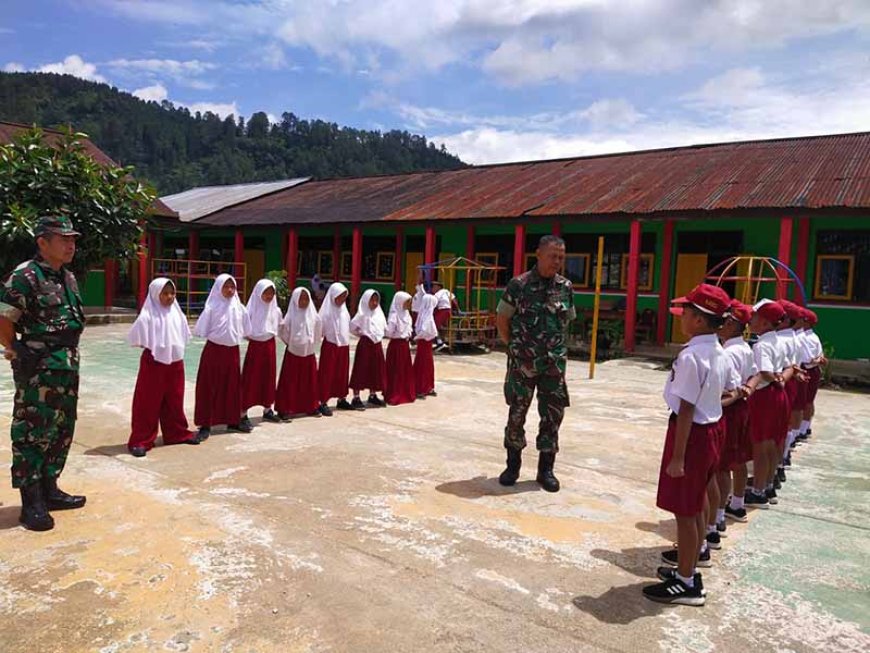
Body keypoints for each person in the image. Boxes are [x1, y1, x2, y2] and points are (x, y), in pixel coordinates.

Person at [643, 283, 730, 606]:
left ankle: (686, 582)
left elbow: (687, 408)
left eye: (688, 311)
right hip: (711, 430)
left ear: (698, 319)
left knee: (685, 511)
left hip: (692, 435)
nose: (682, 316)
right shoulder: (717, 349)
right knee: (697, 503)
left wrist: (677, 457)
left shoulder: (692, 355)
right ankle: (690, 565)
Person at [0, 216, 88, 531]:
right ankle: (31, 502)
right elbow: (3, 316)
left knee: (61, 429)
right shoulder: (25, 276)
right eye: (63, 239)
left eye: (72, 239)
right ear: (42, 242)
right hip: (37, 368)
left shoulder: (69, 278)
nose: (70, 245)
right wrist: (14, 348)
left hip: (66, 365)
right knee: (32, 432)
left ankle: (51, 490)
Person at [495, 234, 574, 493]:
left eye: (561, 257)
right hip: (523, 364)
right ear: (538, 254)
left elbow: (566, 322)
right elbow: (502, 320)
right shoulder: (519, 285)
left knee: (552, 417)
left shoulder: (565, 286)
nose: (557, 262)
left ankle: (545, 470)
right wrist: (516, 349)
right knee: (517, 414)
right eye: (553, 256)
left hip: (553, 366)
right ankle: (513, 466)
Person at [126, 278, 202, 457]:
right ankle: (141, 439)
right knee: (147, 402)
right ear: (155, 294)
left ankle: (176, 433)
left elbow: (183, 336)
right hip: (154, 364)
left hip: (176, 363)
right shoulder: (147, 316)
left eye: (172, 293)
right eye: (165, 293)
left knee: (174, 401)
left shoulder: (178, 314)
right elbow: (137, 339)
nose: (169, 297)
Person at [742, 300, 790, 508]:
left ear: (763, 322)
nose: (750, 321)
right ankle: (768, 485)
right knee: (772, 443)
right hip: (778, 395)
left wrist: (774, 378)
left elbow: (764, 372)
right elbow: (790, 367)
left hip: (764, 397)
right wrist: (782, 379)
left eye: (753, 318)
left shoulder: (761, 345)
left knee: (761, 446)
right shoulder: (779, 340)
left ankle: (758, 491)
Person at [193, 274, 252, 439]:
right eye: (226, 286)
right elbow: (201, 331)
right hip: (214, 351)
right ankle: (205, 424)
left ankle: (233, 420)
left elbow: (247, 331)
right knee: (209, 387)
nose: (230, 290)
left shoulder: (240, 308)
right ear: (218, 288)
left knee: (232, 387)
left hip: (232, 351)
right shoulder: (211, 308)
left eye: (232, 286)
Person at [720, 302, 757, 524]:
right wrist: (747, 390)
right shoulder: (745, 347)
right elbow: (754, 375)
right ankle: (738, 504)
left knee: (722, 466)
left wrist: (737, 394)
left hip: (729, 409)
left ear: (731, 323)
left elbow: (728, 388)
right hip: (741, 407)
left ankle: (716, 518)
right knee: (738, 459)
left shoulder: (729, 352)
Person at [240, 279, 283, 428]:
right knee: (251, 378)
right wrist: (256, 337)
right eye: (266, 292)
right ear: (258, 293)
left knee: (269, 377)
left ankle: (268, 409)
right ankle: (243, 413)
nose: (269, 296)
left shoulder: (276, 310)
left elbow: (278, 326)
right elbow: (244, 330)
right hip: (255, 346)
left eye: (272, 293)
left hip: (270, 346)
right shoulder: (250, 309)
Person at [275, 287, 322, 419]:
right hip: (293, 352)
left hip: (309, 352)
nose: (304, 301)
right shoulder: (290, 315)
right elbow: (283, 331)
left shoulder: (313, 315)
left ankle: (311, 406)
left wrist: (312, 343)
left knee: (309, 382)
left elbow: (318, 330)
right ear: (295, 300)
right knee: (290, 382)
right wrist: (292, 343)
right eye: (301, 298)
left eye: (307, 298)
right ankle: (285, 408)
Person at [318, 282, 356, 415]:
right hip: (330, 345)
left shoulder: (344, 311)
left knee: (342, 373)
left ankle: (341, 398)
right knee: (327, 374)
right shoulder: (326, 313)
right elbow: (319, 331)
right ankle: (323, 401)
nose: (342, 300)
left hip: (343, 346)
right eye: (339, 297)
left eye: (344, 297)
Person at [349, 289, 388, 408]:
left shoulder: (379, 314)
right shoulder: (361, 314)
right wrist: (362, 334)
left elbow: (384, 328)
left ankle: (372, 394)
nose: (375, 303)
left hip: (377, 344)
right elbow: (352, 327)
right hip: (365, 344)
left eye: (377, 300)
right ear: (366, 300)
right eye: (372, 300)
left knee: (376, 369)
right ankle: (356, 397)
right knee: (361, 369)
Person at [797, 308, 825, 441]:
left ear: (806, 322)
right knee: (809, 400)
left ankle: (801, 430)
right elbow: (820, 355)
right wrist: (818, 360)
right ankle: (806, 427)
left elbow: (807, 360)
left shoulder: (802, 338)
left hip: (805, 370)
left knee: (802, 402)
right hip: (814, 370)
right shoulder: (815, 337)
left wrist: (814, 360)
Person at [384, 291, 416, 406]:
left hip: (404, 346)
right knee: (396, 370)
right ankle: (394, 394)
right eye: (407, 302)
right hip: (396, 346)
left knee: (404, 370)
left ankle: (405, 393)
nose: (408, 304)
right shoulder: (394, 316)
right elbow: (389, 332)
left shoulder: (407, 314)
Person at [413, 293, 439, 399]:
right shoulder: (427, 316)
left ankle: (428, 387)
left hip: (426, 344)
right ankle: (420, 388)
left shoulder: (426, 314)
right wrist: (418, 337)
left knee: (427, 366)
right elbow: (424, 330)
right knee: (423, 365)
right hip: (425, 343)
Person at [431, 280, 457, 351]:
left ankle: (440, 342)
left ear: (438, 287)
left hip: (443, 310)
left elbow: (434, 304)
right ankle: (441, 340)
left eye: (434, 287)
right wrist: (457, 309)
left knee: (434, 325)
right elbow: (454, 300)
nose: (432, 288)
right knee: (439, 326)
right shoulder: (446, 292)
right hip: (445, 310)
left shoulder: (438, 294)